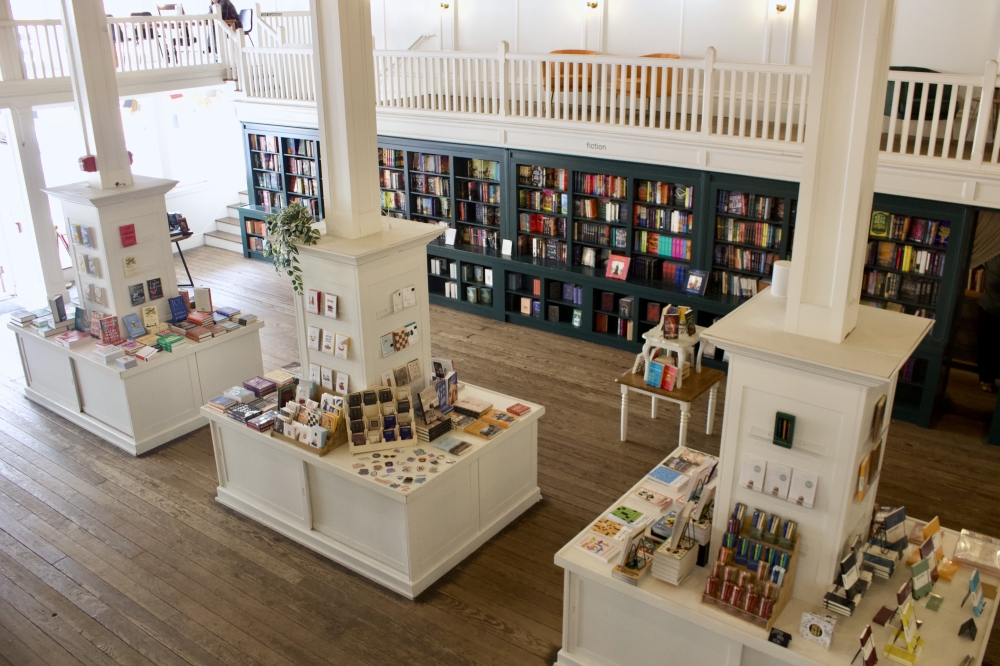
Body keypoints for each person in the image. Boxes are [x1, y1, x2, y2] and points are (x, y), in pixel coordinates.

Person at [978, 254, 1000, 392]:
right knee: (990, 346)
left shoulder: (992, 255)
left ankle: (986, 380)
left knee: (986, 345)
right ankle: (990, 379)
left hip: (988, 306)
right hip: (991, 307)